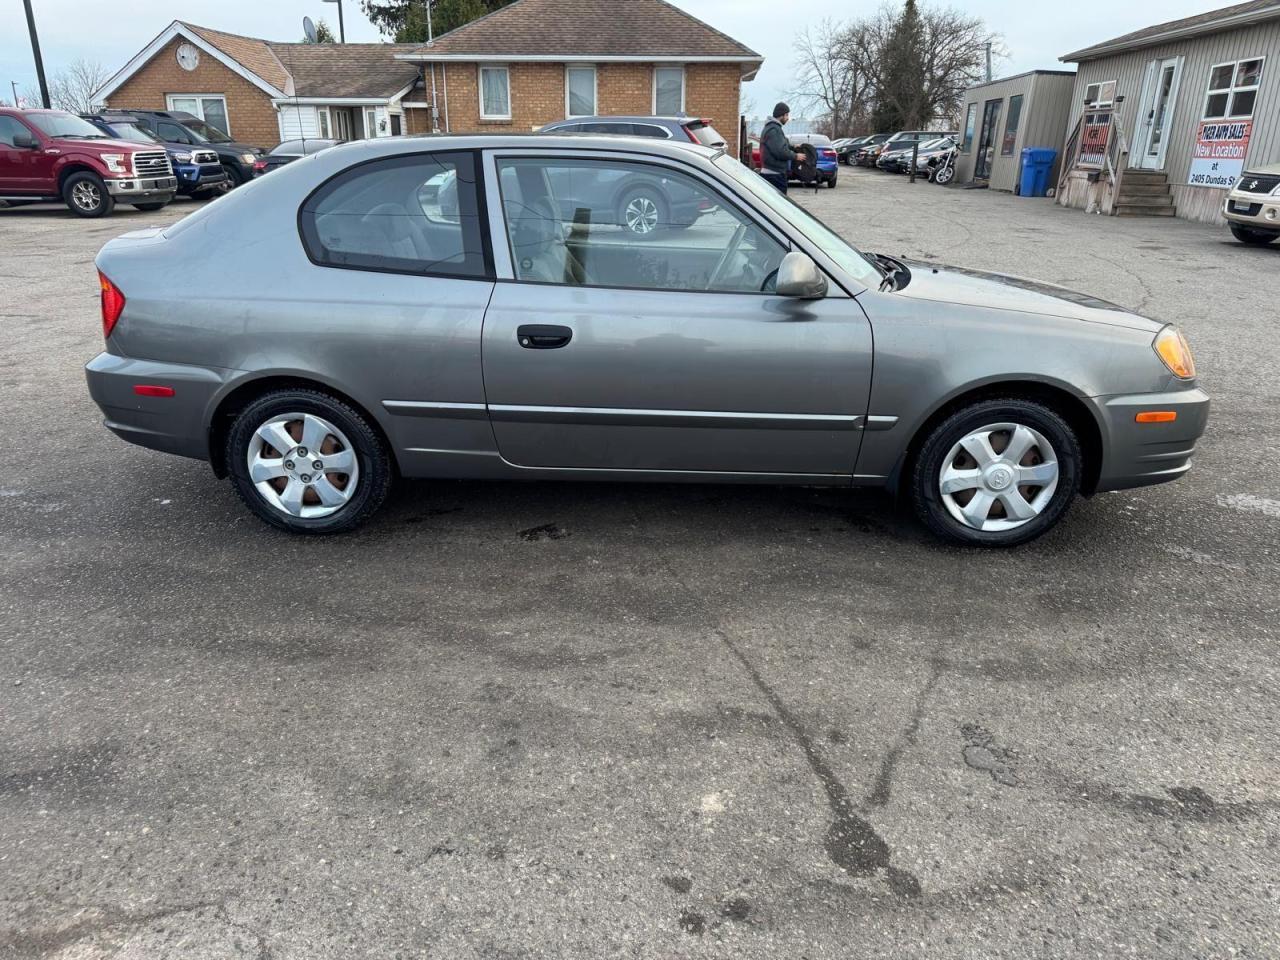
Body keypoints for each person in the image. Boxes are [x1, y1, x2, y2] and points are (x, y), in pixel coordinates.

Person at [760, 102, 803, 194]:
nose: (788, 118)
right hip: (774, 175)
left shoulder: (773, 128)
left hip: (773, 173)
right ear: (781, 115)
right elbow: (780, 151)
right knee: (777, 205)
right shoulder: (774, 129)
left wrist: (792, 147)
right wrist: (795, 156)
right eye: (787, 115)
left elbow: (778, 145)